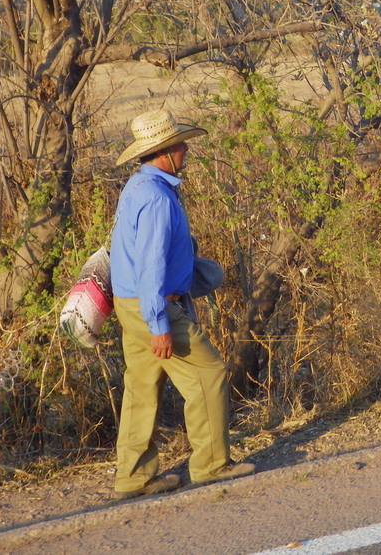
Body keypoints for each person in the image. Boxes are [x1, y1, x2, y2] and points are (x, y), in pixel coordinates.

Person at [109, 108, 254, 499]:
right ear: (165, 151)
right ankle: (211, 466)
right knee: (208, 374)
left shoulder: (137, 186)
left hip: (130, 302)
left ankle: (134, 476)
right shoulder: (157, 198)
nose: (187, 148)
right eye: (180, 144)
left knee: (142, 387)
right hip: (151, 306)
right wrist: (158, 324)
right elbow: (151, 266)